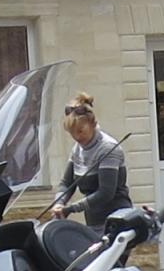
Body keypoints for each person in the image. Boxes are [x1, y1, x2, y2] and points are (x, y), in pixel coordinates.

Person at [45, 93, 132, 227]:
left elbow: (105, 193)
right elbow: (67, 183)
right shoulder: (77, 149)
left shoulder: (108, 148)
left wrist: (71, 209)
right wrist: (59, 203)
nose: (76, 137)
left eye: (80, 131)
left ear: (93, 124)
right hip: (93, 220)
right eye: (72, 132)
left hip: (117, 219)